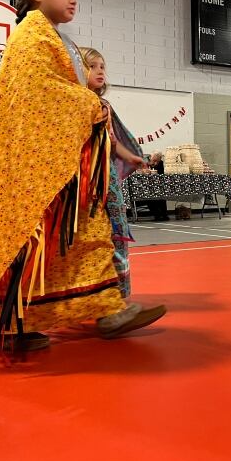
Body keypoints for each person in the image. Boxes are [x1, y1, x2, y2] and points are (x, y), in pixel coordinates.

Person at [0, 0, 165, 368]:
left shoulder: (50, 36)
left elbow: (53, 92)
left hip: (56, 163)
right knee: (30, 245)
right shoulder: (31, 36)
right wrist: (90, 105)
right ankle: (6, 326)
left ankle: (105, 309)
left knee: (78, 238)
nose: (73, 0)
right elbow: (40, 95)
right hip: (31, 166)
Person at [81, 46, 149, 297]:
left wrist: (132, 157)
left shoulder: (104, 105)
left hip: (106, 179)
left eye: (102, 67)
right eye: (92, 66)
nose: (100, 71)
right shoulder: (75, 103)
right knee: (88, 235)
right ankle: (89, 293)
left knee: (116, 231)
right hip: (85, 178)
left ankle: (118, 294)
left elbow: (112, 141)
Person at [145, 152, 169, 221]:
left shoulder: (161, 163)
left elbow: (160, 173)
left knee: (161, 198)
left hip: (159, 185)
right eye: (151, 157)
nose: (151, 159)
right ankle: (157, 214)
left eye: (153, 158)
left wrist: (153, 166)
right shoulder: (149, 163)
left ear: (158, 158)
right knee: (150, 198)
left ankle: (163, 215)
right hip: (150, 185)